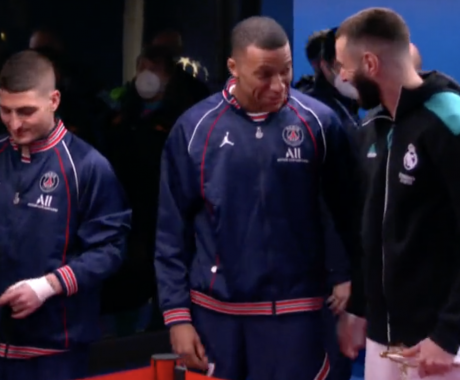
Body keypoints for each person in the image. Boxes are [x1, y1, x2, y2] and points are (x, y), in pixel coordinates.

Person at [155, 16, 363, 380]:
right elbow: (172, 230)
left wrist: (348, 281)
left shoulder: (320, 124)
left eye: (285, 71)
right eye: (264, 74)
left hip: (299, 312)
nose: (278, 84)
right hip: (216, 315)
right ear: (233, 68)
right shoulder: (194, 129)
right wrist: (177, 316)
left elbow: (345, 215)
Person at [335, 7, 460, 378]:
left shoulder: (456, 125)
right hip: (386, 336)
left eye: (344, 66)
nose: (343, 76)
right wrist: (361, 308)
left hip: (446, 340)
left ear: (370, 62)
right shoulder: (376, 126)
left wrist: (448, 334)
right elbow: (374, 230)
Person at [0, 50, 131, 380]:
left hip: (55, 353)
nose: (14, 123)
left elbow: (111, 250)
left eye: (26, 111)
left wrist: (47, 286)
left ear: (54, 100)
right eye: (6, 110)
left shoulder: (88, 167)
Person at [99, 45, 210, 335]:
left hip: (167, 213)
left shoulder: (185, 115)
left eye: (154, 67)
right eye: (141, 67)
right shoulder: (122, 113)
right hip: (126, 214)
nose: (146, 74)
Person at [305, 28, 360, 136]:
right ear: (324, 66)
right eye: (340, 64)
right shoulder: (317, 113)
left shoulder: (347, 103)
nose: (350, 71)